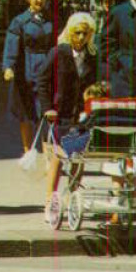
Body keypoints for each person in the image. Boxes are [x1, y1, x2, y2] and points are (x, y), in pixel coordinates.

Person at [37, 11, 97, 221]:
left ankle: (73, 198)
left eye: (86, 33)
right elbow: (42, 81)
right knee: (58, 158)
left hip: (81, 116)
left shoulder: (92, 55)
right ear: (70, 32)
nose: (81, 37)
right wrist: (47, 108)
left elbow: (93, 85)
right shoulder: (58, 52)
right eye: (77, 33)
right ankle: (50, 202)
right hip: (59, 114)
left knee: (78, 158)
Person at [2, 0, 54, 152]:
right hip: (26, 67)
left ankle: (47, 151)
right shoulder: (19, 21)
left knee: (45, 111)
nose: (38, 1)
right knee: (25, 111)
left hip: (46, 67)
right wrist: (8, 66)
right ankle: (27, 150)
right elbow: (11, 44)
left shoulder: (52, 20)